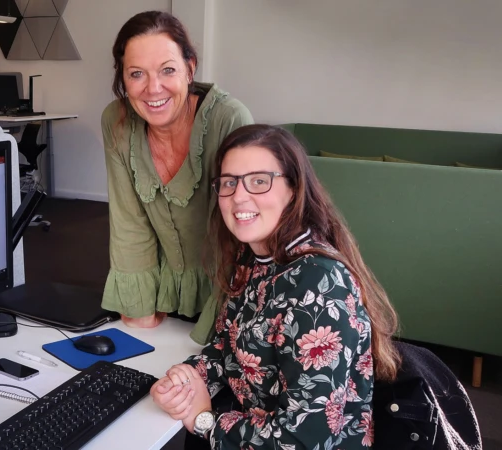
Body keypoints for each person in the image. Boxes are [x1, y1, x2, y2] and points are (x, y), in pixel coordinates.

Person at [150, 124, 401, 449]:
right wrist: (187, 380)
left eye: (258, 181)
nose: (239, 196)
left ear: (294, 188)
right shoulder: (253, 257)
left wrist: (205, 422)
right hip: (251, 427)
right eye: (229, 182)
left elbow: (305, 437)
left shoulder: (319, 286)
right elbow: (228, 348)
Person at [101, 11, 253, 344]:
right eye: (136, 74)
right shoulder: (117, 121)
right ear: (123, 78)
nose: (153, 88)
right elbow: (129, 221)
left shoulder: (228, 119)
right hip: (164, 293)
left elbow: (239, 239)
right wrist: (138, 304)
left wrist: (214, 324)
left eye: (167, 70)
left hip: (228, 290)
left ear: (190, 67)